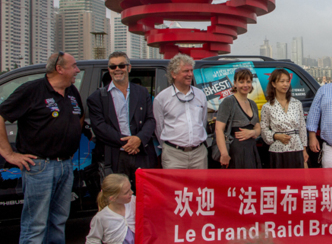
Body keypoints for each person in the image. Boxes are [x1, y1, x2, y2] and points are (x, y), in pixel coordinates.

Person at [0, 52, 83, 243]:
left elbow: (79, 116)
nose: (77, 70)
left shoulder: (71, 91)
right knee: (35, 224)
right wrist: (8, 154)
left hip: (66, 165)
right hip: (40, 166)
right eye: (74, 66)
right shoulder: (32, 90)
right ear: (59, 69)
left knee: (58, 221)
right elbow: (1, 115)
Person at [88, 52, 157, 190]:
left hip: (141, 152)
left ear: (129, 68)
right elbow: (100, 127)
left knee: (144, 196)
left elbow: (150, 119)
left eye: (121, 65)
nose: (117, 69)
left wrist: (138, 139)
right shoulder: (97, 97)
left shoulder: (142, 92)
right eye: (113, 67)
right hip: (115, 154)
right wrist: (128, 143)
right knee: (117, 198)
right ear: (109, 70)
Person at [154, 54, 209, 169]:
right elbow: (159, 127)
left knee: (199, 187)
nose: (190, 74)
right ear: (173, 74)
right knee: (173, 186)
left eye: (191, 70)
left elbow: (202, 122)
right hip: (173, 155)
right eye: (185, 71)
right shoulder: (162, 98)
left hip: (198, 154)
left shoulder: (200, 95)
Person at [260, 69, 308, 168]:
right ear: (273, 84)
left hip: (296, 148)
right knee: (279, 180)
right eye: (282, 81)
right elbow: (263, 129)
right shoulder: (267, 107)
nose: (285, 84)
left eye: (287, 81)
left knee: (296, 180)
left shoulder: (297, 103)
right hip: (277, 150)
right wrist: (276, 136)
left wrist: (304, 149)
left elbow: (302, 127)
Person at [215, 68, 262, 169]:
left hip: (251, 150)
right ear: (235, 84)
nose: (245, 85)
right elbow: (219, 129)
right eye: (241, 82)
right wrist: (224, 154)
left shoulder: (252, 104)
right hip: (235, 152)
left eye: (248, 81)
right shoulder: (228, 102)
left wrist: (252, 133)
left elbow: (258, 127)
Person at [86, 174, 136, 244]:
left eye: (130, 189)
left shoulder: (133, 202)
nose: (132, 192)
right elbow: (93, 240)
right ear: (113, 198)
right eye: (127, 192)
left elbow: (151, 201)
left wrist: (143, 175)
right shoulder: (101, 217)